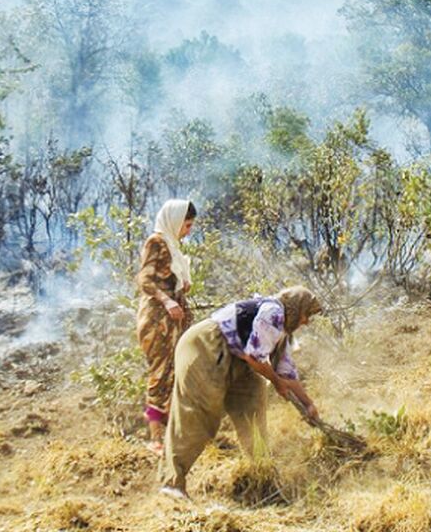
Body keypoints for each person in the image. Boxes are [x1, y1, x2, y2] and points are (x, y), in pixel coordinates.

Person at [159, 286, 323, 500]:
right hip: (206, 346)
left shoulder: (283, 333)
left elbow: (287, 375)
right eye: (306, 314)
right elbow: (255, 357)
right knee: (199, 412)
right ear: (296, 307)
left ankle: (262, 479)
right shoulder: (273, 312)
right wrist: (276, 382)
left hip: (238, 358)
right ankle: (172, 483)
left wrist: (308, 404)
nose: (306, 321)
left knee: (253, 402)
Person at [136, 199, 197, 454]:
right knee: (160, 374)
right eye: (187, 224)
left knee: (177, 373)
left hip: (173, 321)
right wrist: (168, 300)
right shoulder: (157, 242)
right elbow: (145, 279)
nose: (188, 230)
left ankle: (174, 434)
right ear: (175, 220)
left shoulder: (173, 248)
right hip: (157, 321)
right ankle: (156, 438)